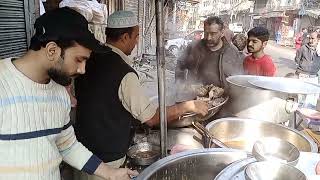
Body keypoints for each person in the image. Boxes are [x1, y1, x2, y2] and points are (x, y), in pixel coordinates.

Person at [0, 7, 137, 180]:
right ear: (52, 50)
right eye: (79, 60)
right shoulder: (3, 85)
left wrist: (110, 172)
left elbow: (67, 145)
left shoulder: (60, 94)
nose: (82, 70)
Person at [74, 11, 208, 180]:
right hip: (106, 164)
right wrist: (189, 106)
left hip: (81, 155)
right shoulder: (123, 72)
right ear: (124, 37)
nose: (137, 41)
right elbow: (151, 118)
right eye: (136, 36)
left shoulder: (89, 58)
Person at [175, 16, 243, 88]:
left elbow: (237, 77)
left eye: (213, 33)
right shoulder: (193, 47)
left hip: (223, 97)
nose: (208, 37)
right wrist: (180, 84)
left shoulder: (232, 51)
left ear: (222, 33)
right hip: (194, 96)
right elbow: (180, 65)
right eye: (206, 33)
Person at [295, 31, 320, 106]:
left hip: (313, 77)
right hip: (302, 76)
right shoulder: (303, 48)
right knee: (299, 100)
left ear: (318, 39)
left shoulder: (319, 50)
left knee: (311, 102)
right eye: (309, 38)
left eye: (313, 38)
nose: (311, 40)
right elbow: (297, 59)